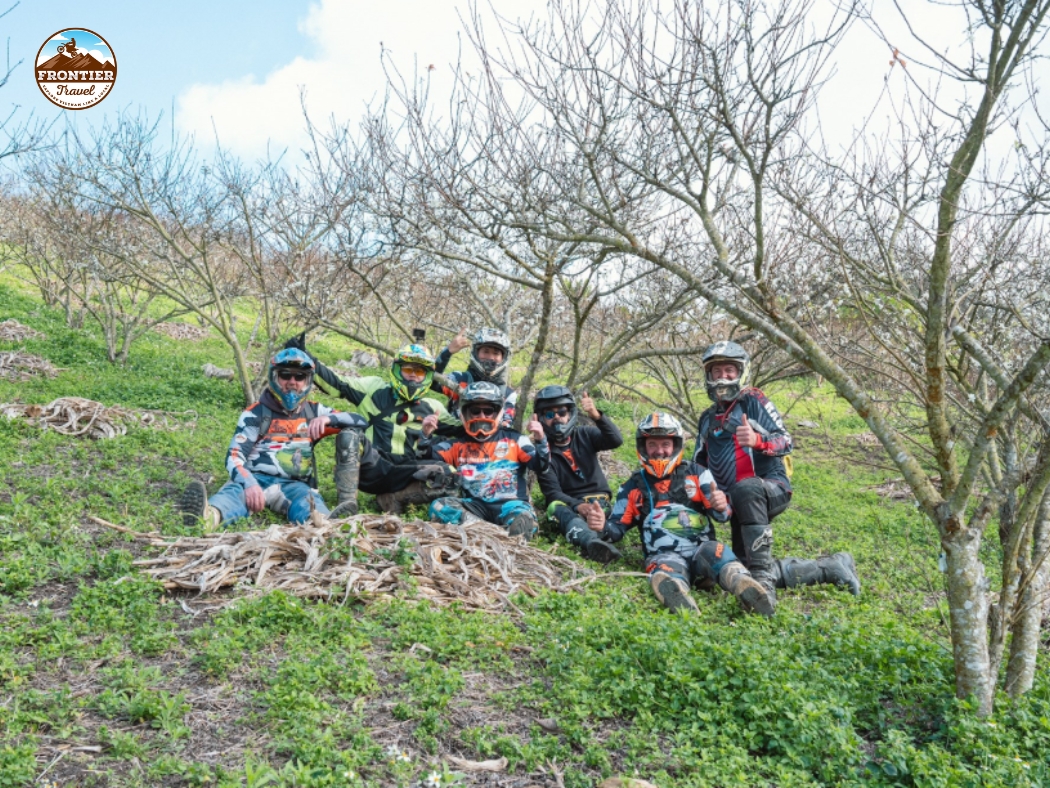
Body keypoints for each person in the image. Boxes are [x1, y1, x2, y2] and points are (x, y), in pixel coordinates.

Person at [695, 340, 860, 600]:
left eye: (729, 370)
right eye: (717, 371)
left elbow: (786, 441)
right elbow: (699, 464)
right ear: (708, 375)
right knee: (744, 569)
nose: (723, 377)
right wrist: (711, 496)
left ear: (741, 372)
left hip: (770, 487)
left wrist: (758, 441)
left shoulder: (753, 400)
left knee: (747, 489)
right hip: (735, 502)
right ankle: (829, 568)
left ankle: (765, 586)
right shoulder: (706, 419)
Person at [602, 413, 775, 616]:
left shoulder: (698, 473)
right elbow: (615, 529)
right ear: (643, 448)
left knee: (717, 552)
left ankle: (741, 582)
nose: (659, 451)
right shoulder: (632, 486)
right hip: (664, 556)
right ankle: (677, 592)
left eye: (665, 444)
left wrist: (720, 506)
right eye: (652, 445)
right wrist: (601, 526)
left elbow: (723, 516)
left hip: (703, 551)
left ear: (676, 445)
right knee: (666, 571)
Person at [177, 349, 366, 529]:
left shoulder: (314, 412)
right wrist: (248, 483)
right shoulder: (256, 413)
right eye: (285, 375)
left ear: (308, 380)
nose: (292, 382)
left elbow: (360, 420)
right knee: (233, 494)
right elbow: (234, 456)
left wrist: (328, 419)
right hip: (255, 479)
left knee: (309, 502)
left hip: (295, 485)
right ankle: (207, 517)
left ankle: (327, 526)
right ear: (274, 377)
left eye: (299, 376)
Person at [293, 339, 462, 516]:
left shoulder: (433, 407)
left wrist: (484, 406)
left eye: (419, 371)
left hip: (406, 471)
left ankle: (394, 498)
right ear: (397, 369)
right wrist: (306, 356)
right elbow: (337, 383)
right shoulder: (373, 388)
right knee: (350, 434)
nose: (413, 375)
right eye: (408, 369)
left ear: (427, 376)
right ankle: (347, 503)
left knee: (450, 475)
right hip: (372, 466)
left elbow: (465, 429)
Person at [421, 381, 549, 539]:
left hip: (510, 505)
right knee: (439, 506)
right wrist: (425, 435)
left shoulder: (517, 440)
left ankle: (488, 534)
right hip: (474, 507)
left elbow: (541, 465)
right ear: (465, 413)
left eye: (488, 411)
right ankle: (487, 531)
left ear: (498, 413)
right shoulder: (456, 444)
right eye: (475, 411)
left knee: (524, 519)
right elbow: (425, 457)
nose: (482, 416)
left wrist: (541, 440)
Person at [534, 385, 623, 564]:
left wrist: (596, 416)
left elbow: (615, 440)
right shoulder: (543, 452)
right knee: (555, 507)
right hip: (568, 505)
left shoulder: (584, 434)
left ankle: (599, 533)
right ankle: (592, 542)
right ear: (541, 419)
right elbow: (552, 493)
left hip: (598, 500)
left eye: (561, 412)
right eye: (549, 415)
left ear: (570, 414)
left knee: (598, 514)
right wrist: (577, 506)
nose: (557, 418)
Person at [434, 327, 517, 428]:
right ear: (476, 353)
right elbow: (430, 380)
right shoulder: (459, 379)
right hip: (456, 439)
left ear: (503, 357)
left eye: (496, 353)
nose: (490, 357)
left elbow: (506, 424)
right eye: (486, 351)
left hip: (491, 441)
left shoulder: (508, 394)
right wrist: (448, 351)